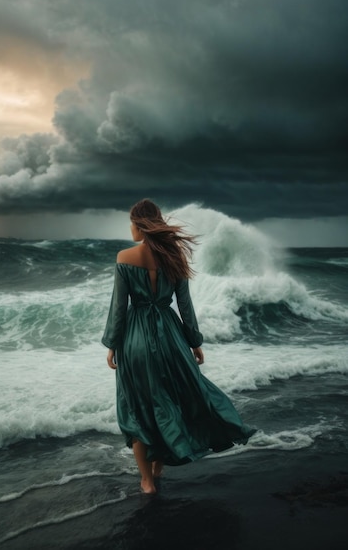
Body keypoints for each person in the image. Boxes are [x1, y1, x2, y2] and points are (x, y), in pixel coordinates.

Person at [102, 199, 255, 494]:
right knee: (171, 400)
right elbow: (185, 306)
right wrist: (194, 342)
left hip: (135, 340)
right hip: (171, 337)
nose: (130, 229)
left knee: (138, 407)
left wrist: (112, 344)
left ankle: (146, 480)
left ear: (140, 225)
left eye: (132, 223)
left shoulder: (124, 257)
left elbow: (119, 308)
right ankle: (159, 468)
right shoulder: (175, 259)